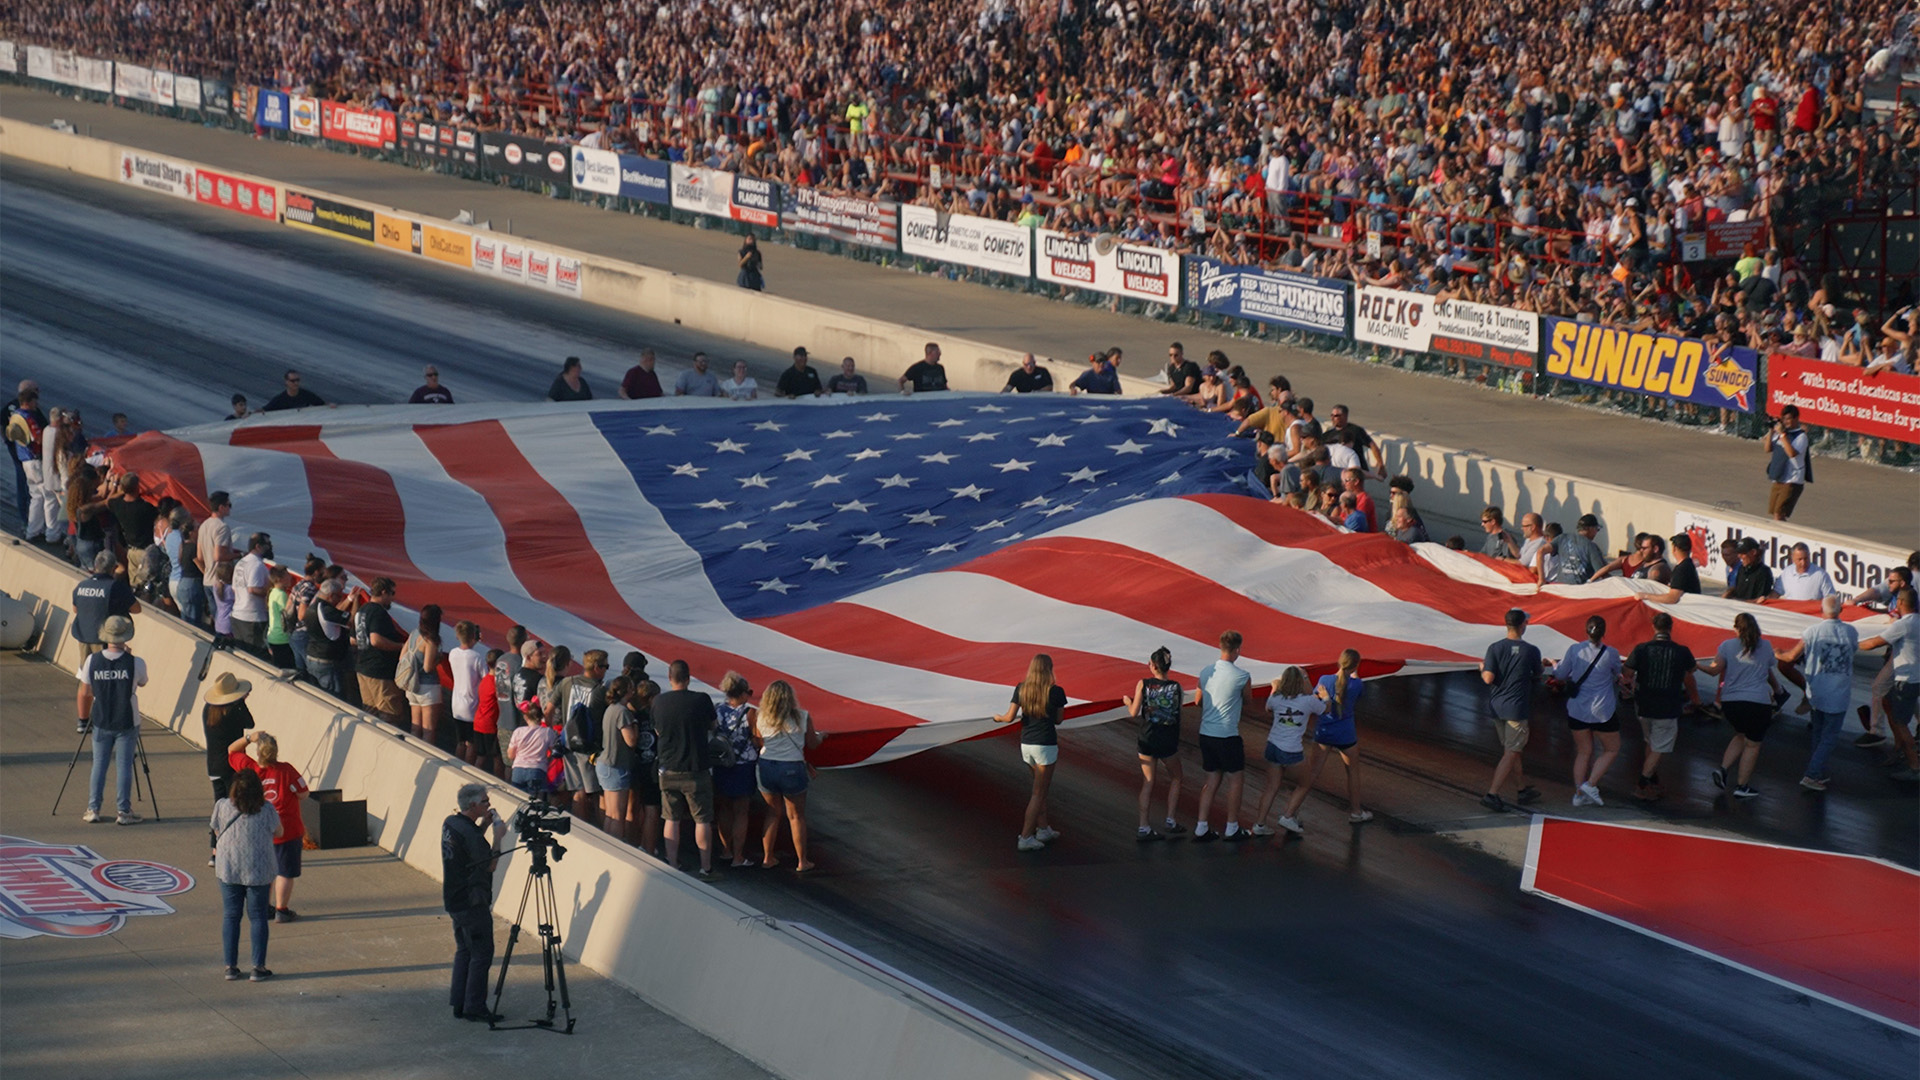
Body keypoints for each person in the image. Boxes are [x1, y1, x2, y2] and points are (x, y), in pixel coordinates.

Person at [1774, 595, 1857, 792]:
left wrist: (1777, 652)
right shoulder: (1851, 632)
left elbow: (1792, 656)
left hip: (1816, 690)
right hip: (1839, 692)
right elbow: (1853, 650)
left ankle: (1816, 770)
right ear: (1841, 611)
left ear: (1821, 611)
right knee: (1829, 736)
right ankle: (1812, 773)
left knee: (1819, 734)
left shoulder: (1812, 631)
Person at [1282, 649, 1372, 827]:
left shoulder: (1324, 680)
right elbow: (1354, 688)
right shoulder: (1357, 684)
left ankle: (1289, 813)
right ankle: (1356, 812)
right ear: (1355, 666)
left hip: (1324, 732)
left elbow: (1315, 700)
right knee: (1352, 773)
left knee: (1311, 774)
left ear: (1339, 662)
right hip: (1346, 734)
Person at [1698, 612, 1783, 799]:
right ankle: (1742, 786)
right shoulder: (1766, 645)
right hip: (1758, 703)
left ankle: (1723, 769)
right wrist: (1777, 690)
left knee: (1740, 734)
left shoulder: (1727, 646)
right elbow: (1768, 667)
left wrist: (1696, 666)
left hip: (1731, 702)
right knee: (1752, 745)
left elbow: (1714, 671)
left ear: (1736, 628)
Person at [228, 731, 309, 923]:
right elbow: (304, 793)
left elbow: (232, 750)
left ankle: (265, 906)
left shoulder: (250, 770)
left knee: (266, 871)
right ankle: (282, 909)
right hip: (287, 829)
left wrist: (249, 738)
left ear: (258, 752)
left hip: (259, 830)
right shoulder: (287, 770)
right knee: (285, 872)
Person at [441, 782, 506, 1022]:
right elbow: (489, 864)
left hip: (454, 897)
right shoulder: (469, 833)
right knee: (481, 953)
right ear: (473, 805)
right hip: (472, 901)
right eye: (485, 802)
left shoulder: (452, 823)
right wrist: (498, 838)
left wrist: (485, 825)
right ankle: (475, 1006)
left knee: (465, 950)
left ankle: (460, 1001)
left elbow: (469, 845)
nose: (489, 805)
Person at [212, 770, 281, 982]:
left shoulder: (222, 806)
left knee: (231, 915)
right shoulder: (267, 809)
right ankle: (258, 967)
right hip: (258, 869)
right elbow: (279, 832)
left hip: (229, 867)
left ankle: (230, 967)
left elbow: (216, 830)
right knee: (258, 916)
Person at [993, 653, 1066, 851]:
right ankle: (1025, 837)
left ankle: (1043, 829)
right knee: (1039, 793)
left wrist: (996, 718)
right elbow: (1058, 720)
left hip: (1026, 744)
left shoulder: (1021, 688)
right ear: (1049, 669)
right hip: (1046, 745)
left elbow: (1009, 717)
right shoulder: (1056, 692)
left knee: (1038, 789)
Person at [1622, 612, 1698, 802]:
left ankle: (1652, 780)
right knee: (1659, 747)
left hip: (1644, 704)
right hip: (1668, 706)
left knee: (1650, 742)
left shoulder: (1641, 649)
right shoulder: (1682, 651)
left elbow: (1627, 673)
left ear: (1653, 627)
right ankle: (1642, 783)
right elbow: (1691, 673)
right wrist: (1696, 700)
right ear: (1671, 628)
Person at [79, 615, 147, 825]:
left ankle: (93, 808)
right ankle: (123, 811)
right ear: (125, 637)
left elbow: (86, 690)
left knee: (99, 764)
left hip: (101, 717)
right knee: (124, 765)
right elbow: (143, 682)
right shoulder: (135, 662)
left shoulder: (93, 660)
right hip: (127, 718)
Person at [654, 659, 718, 879]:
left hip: (668, 767)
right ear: (688, 678)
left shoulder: (659, 702)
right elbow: (713, 725)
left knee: (671, 818)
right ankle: (706, 867)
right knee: (702, 819)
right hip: (695, 768)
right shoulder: (701, 700)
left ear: (670, 678)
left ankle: (672, 864)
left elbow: (658, 732)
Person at [1190, 630, 1255, 842]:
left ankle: (1201, 825)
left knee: (1211, 779)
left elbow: (1198, 701)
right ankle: (1232, 827)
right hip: (1228, 735)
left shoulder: (1205, 672)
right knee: (1236, 780)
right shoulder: (1242, 676)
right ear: (1237, 650)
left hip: (1206, 733)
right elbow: (1248, 701)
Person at [1553, 616, 1624, 807]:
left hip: (1577, 710)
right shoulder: (1612, 653)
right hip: (1602, 711)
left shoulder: (1575, 650)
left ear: (1586, 630)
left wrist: (1554, 665)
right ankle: (1590, 784)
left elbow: (1560, 675)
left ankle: (1578, 794)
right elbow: (1619, 673)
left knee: (1583, 751)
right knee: (1612, 748)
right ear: (1604, 632)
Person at [1480, 608, 1545, 812]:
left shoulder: (1494, 648)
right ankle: (1492, 793)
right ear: (1523, 625)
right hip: (1517, 709)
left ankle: (1521, 788)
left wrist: (1482, 669)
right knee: (1512, 751)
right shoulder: (1531, 650)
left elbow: (1488, 679)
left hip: (1497, 708)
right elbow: (1538, 674)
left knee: (1512, 750)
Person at [753, 679, 821, 871]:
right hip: (791, 768)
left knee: (772, 813)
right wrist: (822, 737)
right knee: (796, 816)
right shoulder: (803, 716)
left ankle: (767, 858)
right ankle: (802, 861)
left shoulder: (761, 716)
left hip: (766, 766)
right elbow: (812, 743)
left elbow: (760, 741)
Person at [1856, 587, 1919, 783]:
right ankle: (1900, 749)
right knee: (1887, 702)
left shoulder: (1903, 625)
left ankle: (1914, 765)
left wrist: (1850, 641)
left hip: (1905, 680)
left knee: (1900, 723)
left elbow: (1874, 643)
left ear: (1900, 602)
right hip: (1915, 678)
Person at [1252, 666, 1325, 836]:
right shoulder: (1308, 701)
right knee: (1304, 783)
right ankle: (1288, 815)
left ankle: (1260, 824)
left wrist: (1274, 688)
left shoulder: (1276, 698)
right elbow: (1325, 709)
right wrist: (1325, 697)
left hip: (1272, 746)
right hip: (1291, 750)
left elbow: (1268, 708)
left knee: (1271, 786)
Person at [1122, 647, 1185, 840]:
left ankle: (1144, 826)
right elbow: (1178, 713)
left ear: (1154, 666)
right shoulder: (1177, 687)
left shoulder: (1144, 684)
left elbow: (1133, 712)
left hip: (1147, 738)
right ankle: (1170, 820)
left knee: (1148, 782)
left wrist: (1127, 702)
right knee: (1177, 777)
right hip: (1167, 740)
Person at [545, 647, 606, 823]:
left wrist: (551, 735)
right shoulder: (600, 690)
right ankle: (602, 834)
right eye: (605, 666)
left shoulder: (566, 683)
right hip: (590, 747)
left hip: (568, 742)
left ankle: (580, 830)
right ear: (597, 667)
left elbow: (548, 710)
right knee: (596, 794)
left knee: (578, 791)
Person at [712, 671, 762, 867]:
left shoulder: (717, 710)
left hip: (722, 763)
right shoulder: (750, 713)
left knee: (724, 808)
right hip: (743, 765)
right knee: (741, 811)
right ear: (742, 693)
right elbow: (758, 739)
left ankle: (726, 850)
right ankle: (738, 856)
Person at [353, 577, 408, 724]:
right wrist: (402, 646)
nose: (392, 598)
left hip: (363, 668)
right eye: (392, 593)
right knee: (389, 715)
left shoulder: (361, 610)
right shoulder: (378, 613)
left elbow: (353, 639)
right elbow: (376, 640)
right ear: (384, 592)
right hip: (380, 671)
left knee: (370, 713)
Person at [597, 676, 639, 841]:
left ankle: (607, 846)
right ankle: (615, 846)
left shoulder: (610, 709)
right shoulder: (622, 712)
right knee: (617, 816)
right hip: (616, 766)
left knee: (610, 814)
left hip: (605, 764)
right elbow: (631, 741)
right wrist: (635, 723)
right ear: (627, 690)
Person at [398, 604, 446, 743]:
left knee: (415, 727)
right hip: (427, 687)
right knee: (428, 730)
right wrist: (438, 659)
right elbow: (428, 667)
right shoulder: (431, 640)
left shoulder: (414, 633)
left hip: (412, 686)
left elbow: (402, 657)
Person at [301, 578, 353, 696]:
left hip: (313, 657)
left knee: (318, 694)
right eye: (339, 597)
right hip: (326, 662)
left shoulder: (313, 606)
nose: (340, 600)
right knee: (332, 696)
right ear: (331, 596)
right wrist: (353, 601)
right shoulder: (327, 610)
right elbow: (351, 620)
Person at [447, 621, 487, 765]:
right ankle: (468, 767)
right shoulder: (477, 657)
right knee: (472, 743)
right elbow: (485, 677)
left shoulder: (452, 653)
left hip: (456, 704)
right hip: (472, 705)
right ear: (473, 636)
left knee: (460, 741)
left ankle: (456, 765)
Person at [230, 532, 273, 655]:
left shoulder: (241, 562)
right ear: (258, 546)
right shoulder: (257, 565)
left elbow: (235, 588)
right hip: (252, 618)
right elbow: (253, 589)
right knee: (255, 656)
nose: (269, 547)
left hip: (238, 615)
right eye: (267, 544)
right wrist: (269, 590)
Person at [1765, 404, 1810, 521]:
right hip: (1779, 476)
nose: (1786, 422)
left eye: (1788, 419)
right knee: (1775, 512)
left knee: (1779, 514)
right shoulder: (1780, 434)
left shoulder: (1801, 436)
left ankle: (1779, 535)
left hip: (1793, 480)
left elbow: (1791, 453)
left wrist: (1782, 434)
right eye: (1784, 419)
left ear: (1796, 419)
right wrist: (1771, 431)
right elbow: (1767, 449)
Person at [505, 702, 560, 794]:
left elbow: (510, 755)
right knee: (536, 802)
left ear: (526, 717)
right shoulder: (548, 732)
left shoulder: (518, 731)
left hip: (518, 769)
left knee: (518, 800)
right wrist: (547, 761)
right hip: (538, 770)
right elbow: (554, 752)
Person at [471, 648, 504, 777]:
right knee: (497, 757)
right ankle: (500, 781)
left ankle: (473, 776)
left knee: (481, 755)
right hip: (490, 724)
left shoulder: (484, 680)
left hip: (479, 721)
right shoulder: (496, 684)